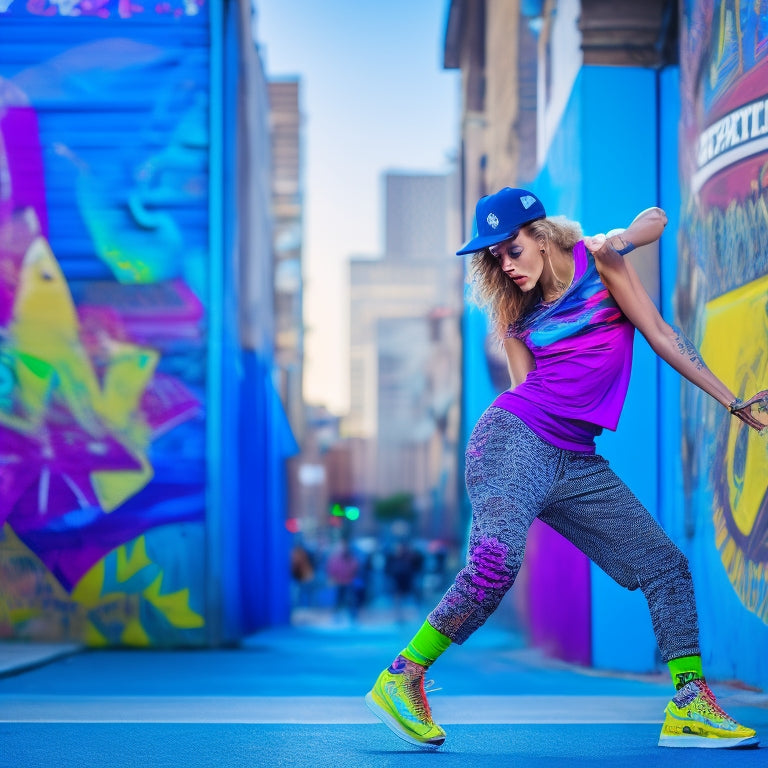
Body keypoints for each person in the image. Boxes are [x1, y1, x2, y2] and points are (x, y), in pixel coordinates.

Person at [364, 187, 767, 750]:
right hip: (514, 440)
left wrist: (730, 401)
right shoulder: (514, 310)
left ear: (542, 235)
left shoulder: (600, 262)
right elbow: (523, 389)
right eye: (495, 257)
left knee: (665, 567)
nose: (506, 264)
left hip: (576, 459)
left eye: (513, 249)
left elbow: (660, 307)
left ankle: (689, 704)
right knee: (494, 567)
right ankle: (401, 678)